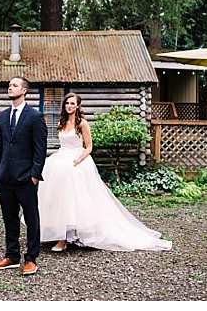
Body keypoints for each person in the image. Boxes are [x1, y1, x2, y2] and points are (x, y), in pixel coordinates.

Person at [39, 93, 172, 252]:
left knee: (77, 199)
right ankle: (61, 235)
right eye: (67, 103)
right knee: (59, 198)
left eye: (72, 103)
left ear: (78, 106)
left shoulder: (82, 123)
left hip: (77, 160)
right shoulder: (62, 123)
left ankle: (74, 236)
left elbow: (89, 147)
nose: (69, 106)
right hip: (60, 160)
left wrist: (79, 160)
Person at [0, 76, 47, 276]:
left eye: (14, 85)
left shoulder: (35, 117)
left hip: (26, 178)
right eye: (9, 84)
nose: (10, 87)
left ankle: (31, 259)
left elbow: (40, 149)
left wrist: (34, 175)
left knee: (31, 218)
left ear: (24, 90)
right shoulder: (2, 117)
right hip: (5, 177)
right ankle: (12, 256)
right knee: (9, 218)